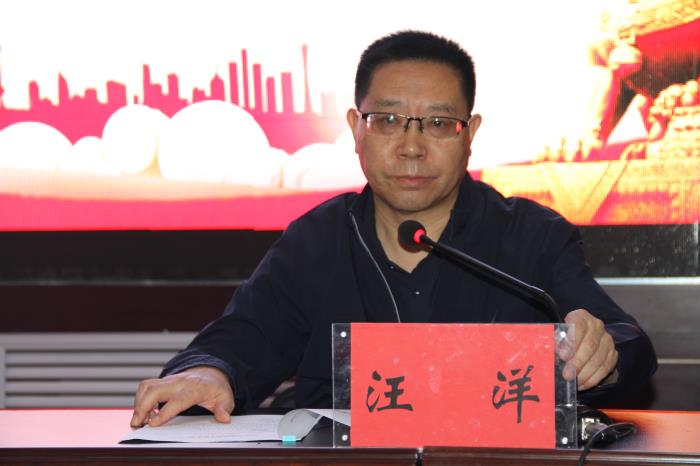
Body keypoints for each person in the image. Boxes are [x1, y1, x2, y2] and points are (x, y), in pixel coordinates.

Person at [131, 30, 657, 428]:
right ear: (355, 129)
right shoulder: (316, 241)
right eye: (386, 121)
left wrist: (600, 352)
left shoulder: (530, 236)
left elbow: (626, 342)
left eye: (439, 123)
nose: (410, 147)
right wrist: (210, 373)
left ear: (470, 134)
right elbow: (243, 338)